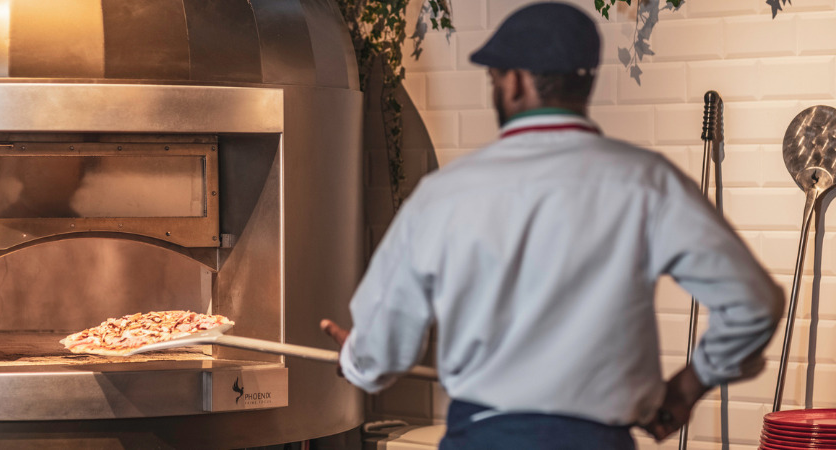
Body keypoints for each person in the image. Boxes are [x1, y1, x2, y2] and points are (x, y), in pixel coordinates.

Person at [320, 2, 785, 448]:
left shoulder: (445, 195)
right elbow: (755, 303)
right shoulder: (646, 181)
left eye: (494, 78)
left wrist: (357, 360)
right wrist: (688, 385)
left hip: (484, 439)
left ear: (517, 83)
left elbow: (385, 345)